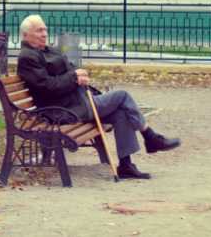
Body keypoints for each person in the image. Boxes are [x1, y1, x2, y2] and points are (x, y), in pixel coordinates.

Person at [17, 14, 180, 179]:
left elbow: (69, 68)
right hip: (63, 110)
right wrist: (74, 77)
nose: (44, 33)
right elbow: (48, 87)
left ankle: (126, 165)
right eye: (39, 31)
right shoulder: (28, 57)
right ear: (25, 35)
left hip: (75, 102)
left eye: (45, 29)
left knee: (121, 113)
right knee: (122, 96)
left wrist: (79, 74)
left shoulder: (47, 50)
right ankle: (151, 137)